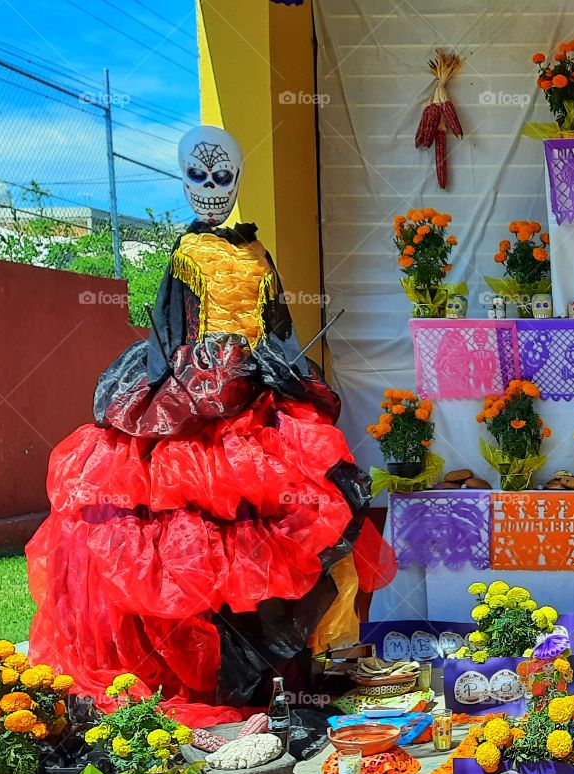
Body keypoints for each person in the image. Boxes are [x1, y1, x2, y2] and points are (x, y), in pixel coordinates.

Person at [26, 125, 393, 727]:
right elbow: (171, 336)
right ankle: (212, 680)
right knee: (195, 542)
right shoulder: (184, 254)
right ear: (183, 181)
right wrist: (193, 386)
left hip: (258, 402)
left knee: (282, 532)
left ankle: (281, 682)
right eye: (198, 177)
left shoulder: (257, 253)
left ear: (238, 182)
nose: (211, 190)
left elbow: (277, 326)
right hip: (197, 410)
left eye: (223, 178)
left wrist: (283, 371)